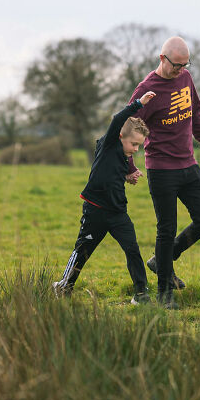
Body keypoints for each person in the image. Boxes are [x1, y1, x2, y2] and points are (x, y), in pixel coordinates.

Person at [128, 37, 200, 309]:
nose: (180, 69)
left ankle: (162, 261)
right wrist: (129, 166)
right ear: (162, 58)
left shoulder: (186, 79)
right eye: (176, 65)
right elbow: (128, 129)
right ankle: (164, 292)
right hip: (161, 169)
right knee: (165, 230)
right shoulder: (147, 91)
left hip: (188, 165)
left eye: (184, 64)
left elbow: (195, 115)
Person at [52, 93, 155, 302]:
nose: (136, 149)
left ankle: (141, 293)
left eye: (139, 146)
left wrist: (128, 176)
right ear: (120, 137)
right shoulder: (108, 144)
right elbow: (118, 119)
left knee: (133, 250)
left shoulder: (125, 156)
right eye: (134, 144)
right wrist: (138, 104)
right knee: (82, 251)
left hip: (118, 212)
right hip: (95, 210)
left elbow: (111, 173)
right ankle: (64, 286)